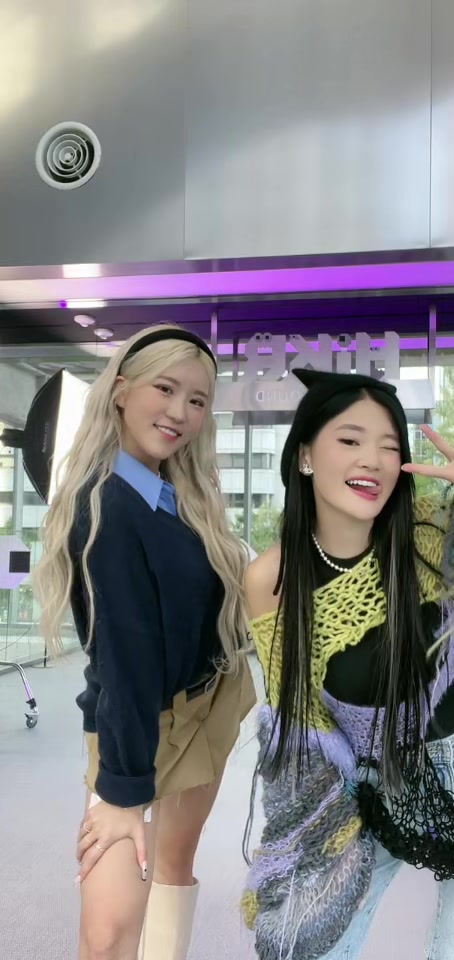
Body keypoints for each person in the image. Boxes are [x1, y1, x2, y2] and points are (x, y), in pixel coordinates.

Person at [241, 369, 454, 960]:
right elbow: (299, 727)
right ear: (305, 455)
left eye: (388, 445)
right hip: (376, 783)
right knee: (303, 947)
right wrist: (303, 850)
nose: (372, 460)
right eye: (350, 440)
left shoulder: (434, 527)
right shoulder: (273, 579)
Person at [33, 325, 256, 960]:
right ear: (122, 391)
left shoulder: (173, 492)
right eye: (165, 388)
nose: (180, 412)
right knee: (107, 936)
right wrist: (122, 788)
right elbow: (125, 659)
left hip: (206, 705)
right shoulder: (106, 505)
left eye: (197, 400)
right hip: (136, 727)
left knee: (174, 868)